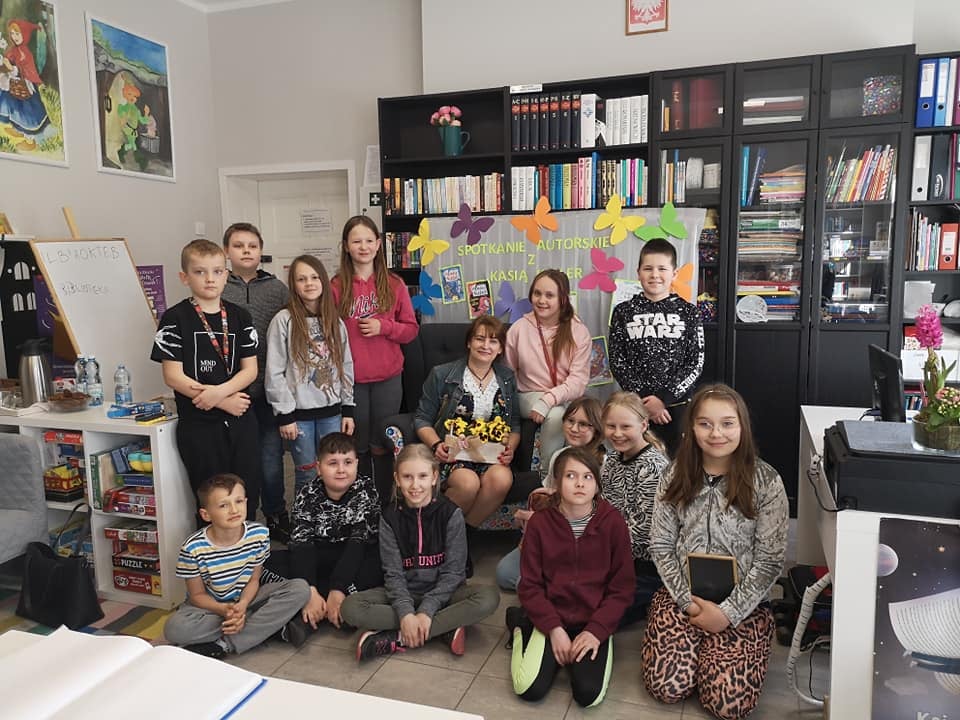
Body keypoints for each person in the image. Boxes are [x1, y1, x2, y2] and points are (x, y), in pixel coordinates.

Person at [642, 384, 788, 720]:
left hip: (743, 604)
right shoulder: (674, 473)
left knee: (728, 705)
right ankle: (697, 648)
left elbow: (769, 561)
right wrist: (687, 602)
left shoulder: (766, 481)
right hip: (683, 595)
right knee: (666, 687)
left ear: (742, 427)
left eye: (727, 423)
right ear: (691, 428)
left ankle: (723, 647)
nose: (716, 433)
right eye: (705, 424)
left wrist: (728, 614)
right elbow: (661, 544)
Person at [340, 444, 500, 660]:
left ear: (434, 477)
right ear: (397, 479)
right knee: (350, 608)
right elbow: (393, 574)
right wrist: (406, 613)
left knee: (488, 597)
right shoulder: (389, 517)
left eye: (422, 476)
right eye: (407, 477)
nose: (415, 485)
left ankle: (398, 637)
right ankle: (443, 628)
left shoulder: (451, 514)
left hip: (445, 595)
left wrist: (426, 610)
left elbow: (454, 573)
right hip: (404, 593)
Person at [509, 447, 635, 708]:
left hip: (592, 619)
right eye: (571, 476)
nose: (580, 483)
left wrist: (596, 631)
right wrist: (554, 630)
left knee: (588, 695)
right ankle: (520, 624)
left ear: (597, 484)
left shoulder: (613, 524)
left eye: (588, 477)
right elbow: (530, 586)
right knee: (528, 688)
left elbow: (621, 589)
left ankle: (580, 645)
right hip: (551, 617)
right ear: (556, 483)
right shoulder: (540, 524)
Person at [151, 239, 262, 518]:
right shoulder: (174, 318)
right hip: (200, 425)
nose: (210, 279)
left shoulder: (240, 316)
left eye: (217, 271)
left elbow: (250, 370)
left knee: (246, 494)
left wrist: (219, 393)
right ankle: (212, 547)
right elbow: (173, 375)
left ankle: (248, 546)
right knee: (213, 499)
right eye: (200, 272)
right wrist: (220, 401)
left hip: (241, 420)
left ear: (227, 275)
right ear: (184, 277)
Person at [163, 473, 311, 658]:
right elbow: (197, 596)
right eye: (223, 505)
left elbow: (254, 580)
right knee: (174, 629)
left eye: (239, 501)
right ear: (206, 514)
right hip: (210, 608)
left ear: (246, 502)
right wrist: (225, 610)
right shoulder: (192, 548)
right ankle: (263, 626)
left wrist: (242, 604)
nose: (234, 510)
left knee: (300, 588)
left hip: (247, 599)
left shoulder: (259, 534)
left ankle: (225, 643)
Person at [332, 215, 419, 498]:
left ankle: (382, 502)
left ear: (379, 244)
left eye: (369, 240)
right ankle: (359, 501)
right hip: (351, 381)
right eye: (356, 241)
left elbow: (411, 330)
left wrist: (385, 327)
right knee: (355, 445)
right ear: (346, 246)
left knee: (383, 444)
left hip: (388, 378)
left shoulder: (395, 284)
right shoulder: (335, 286)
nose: (363, 246)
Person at [414, 315, 521, 533]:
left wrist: (510, 449)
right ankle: (438, 533)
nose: (485, 346)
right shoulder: (442, 374)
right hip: (453, 455)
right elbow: (422, 418)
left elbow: (514, 424)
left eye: (493, 341)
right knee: (468, 483)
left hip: (491, 455)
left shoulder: (507, 377)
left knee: (502, 479)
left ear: (500, 348)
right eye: (479, 339)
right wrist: (437, 445)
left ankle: (464, 535)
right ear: (469, 342)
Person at [221, 223, 290, 539]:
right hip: (229, 389)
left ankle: (275, 514)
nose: (246, 251)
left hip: (269, 387)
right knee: (237, 460)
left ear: (261, 250)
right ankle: (242, 518)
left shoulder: (277, 289)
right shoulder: (218, 286)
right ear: (227, 251)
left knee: (270, 458)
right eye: (238, 245)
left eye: (252, 245)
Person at [266, 254, 354, 500]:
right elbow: (274, 371)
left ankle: (333, 518)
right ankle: (305, 519)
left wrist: (348, 407)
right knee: (306, 473)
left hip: (331, 413)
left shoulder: (335, 321)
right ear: (293, 284)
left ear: (323, 281)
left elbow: (346, 366)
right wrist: (285, 414)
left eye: (314, 277)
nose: (309, 283)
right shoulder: (283, 320)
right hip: (299, 416)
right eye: (301, 279)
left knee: (334, 472)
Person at [495, 397, 604, 591]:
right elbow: (548, 500)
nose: (574, 428)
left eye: (583, 424)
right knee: (504, 573)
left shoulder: (602, 463)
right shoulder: (559, 456)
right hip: (550, 536)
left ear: (596, 428)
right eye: (570, 421)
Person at [608, 238, 705, 456]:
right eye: (648, 269)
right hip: (635, 407)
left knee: (677, 465)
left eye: (662, 269)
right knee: (637, 462)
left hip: (676, 407)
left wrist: (664, 398)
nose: (655, 275)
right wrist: (645, 400)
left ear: (674, 273)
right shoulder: (623, 312)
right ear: (638, 273)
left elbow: (695, 363)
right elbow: (617, 360)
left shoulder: (690, 312)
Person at [288, 432, 382, 634]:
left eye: (348, 462)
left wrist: (338, 588)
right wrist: (309, 589)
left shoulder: (366, 490)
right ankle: (321, 603)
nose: (341, 470)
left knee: (380, 564)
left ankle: (321, 608)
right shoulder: (307, 493)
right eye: (332, 463)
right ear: (318, 467)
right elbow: (302, 543)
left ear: (357, 464)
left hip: (355, 556)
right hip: (319, 555)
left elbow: (358, 543)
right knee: (268, 564)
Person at [506, 270, 591, 469]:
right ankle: (548, 474)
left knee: (588, 415)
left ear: (563, 299)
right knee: (556, 415)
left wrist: (549, 399)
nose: (541, 300)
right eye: (537, 293)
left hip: (564, 397)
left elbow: (578, 381)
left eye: (549, 295)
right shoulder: (519, 328)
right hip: (528, 395)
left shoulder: (578, 331)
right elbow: (507, 375)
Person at [601, 391, 670, 626]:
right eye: (611, 426)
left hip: (646, 566)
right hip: (615, 555)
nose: (617, 433)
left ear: (643, 425)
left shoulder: (653, 467)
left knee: (596, 608)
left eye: (625, 426)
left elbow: (643, 531)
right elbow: (604, 508)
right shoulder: (612, 460)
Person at [0, 19, 49, 140]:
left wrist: (12, 68)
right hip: (13, 86)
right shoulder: (12, 50)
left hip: (26, 89)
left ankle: (31, 137)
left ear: (24, 34)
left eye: (17, 33)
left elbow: (26, 71)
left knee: (27, 112)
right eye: (12, 33)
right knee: (13, 106)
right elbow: (8, 64)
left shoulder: (26, 53)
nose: (14, 37)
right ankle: (18, 128)